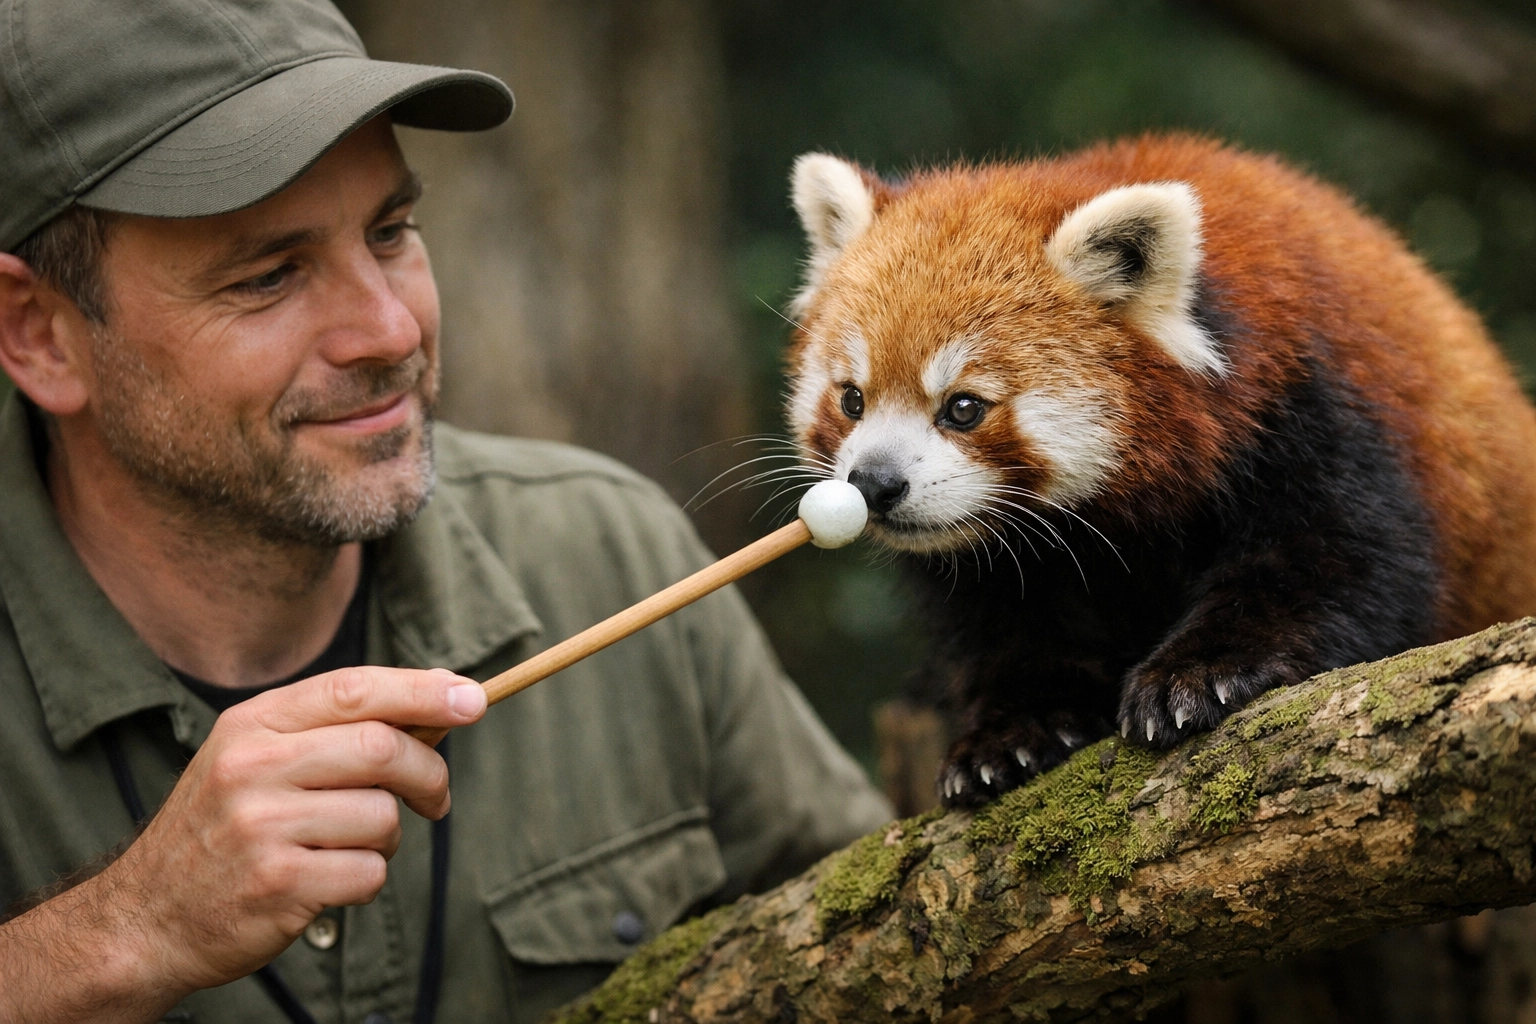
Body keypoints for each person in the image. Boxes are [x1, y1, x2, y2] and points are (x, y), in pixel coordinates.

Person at [0, 1, 892, 1021]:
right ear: (39, 335)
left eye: (392, 230)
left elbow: (902, 940)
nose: (388, 328)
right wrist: (128, 928)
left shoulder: (607, 552)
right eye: (269, 275)